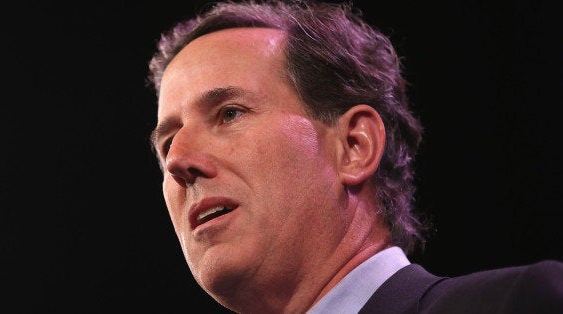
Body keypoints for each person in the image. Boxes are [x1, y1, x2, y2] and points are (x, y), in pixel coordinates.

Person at [146, 0, 563, 313]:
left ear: (354, 147)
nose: (178, 159)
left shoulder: (524, 303)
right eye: (166, 144)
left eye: (229, 113)